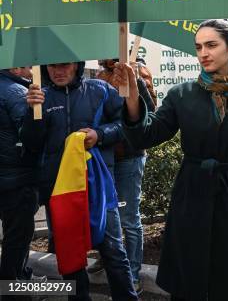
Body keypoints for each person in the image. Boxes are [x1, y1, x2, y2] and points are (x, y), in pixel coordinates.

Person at [115, 19, 228, 300]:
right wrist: (133, 95)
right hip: (192, 196)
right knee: (190, 282)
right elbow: (147, 134)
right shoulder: (182, 95)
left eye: (211, 45)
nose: (203, 52)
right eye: (198, 47)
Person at [22, 62, 136, 300]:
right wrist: (32, 113)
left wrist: (100, 135)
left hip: (99, 190)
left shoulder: (101, 90)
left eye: (65, 65)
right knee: (71, 260)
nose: (58, 71)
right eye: (53, 66)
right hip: (60, 193)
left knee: (114, 253)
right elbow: (31, 145)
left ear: (77, 65)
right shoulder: (41, 96)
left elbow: (125, 124)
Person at [95, 58, 158, 293]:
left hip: (130, 156)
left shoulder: (138, 71)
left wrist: (135, 84)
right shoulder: (100, 76)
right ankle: (110, 259)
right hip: (107, 156)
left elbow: (150, 114)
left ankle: (132, 272)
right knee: (108, 215)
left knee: (129, 217)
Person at [0, 67, 41, 283]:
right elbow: (30, 136)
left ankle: (20, 277)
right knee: (18, 236)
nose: (32, 66)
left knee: (12, 233)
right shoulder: (16, 92)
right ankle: (15, 288)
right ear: (14, 67)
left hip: (8, 178)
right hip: (18, 178)